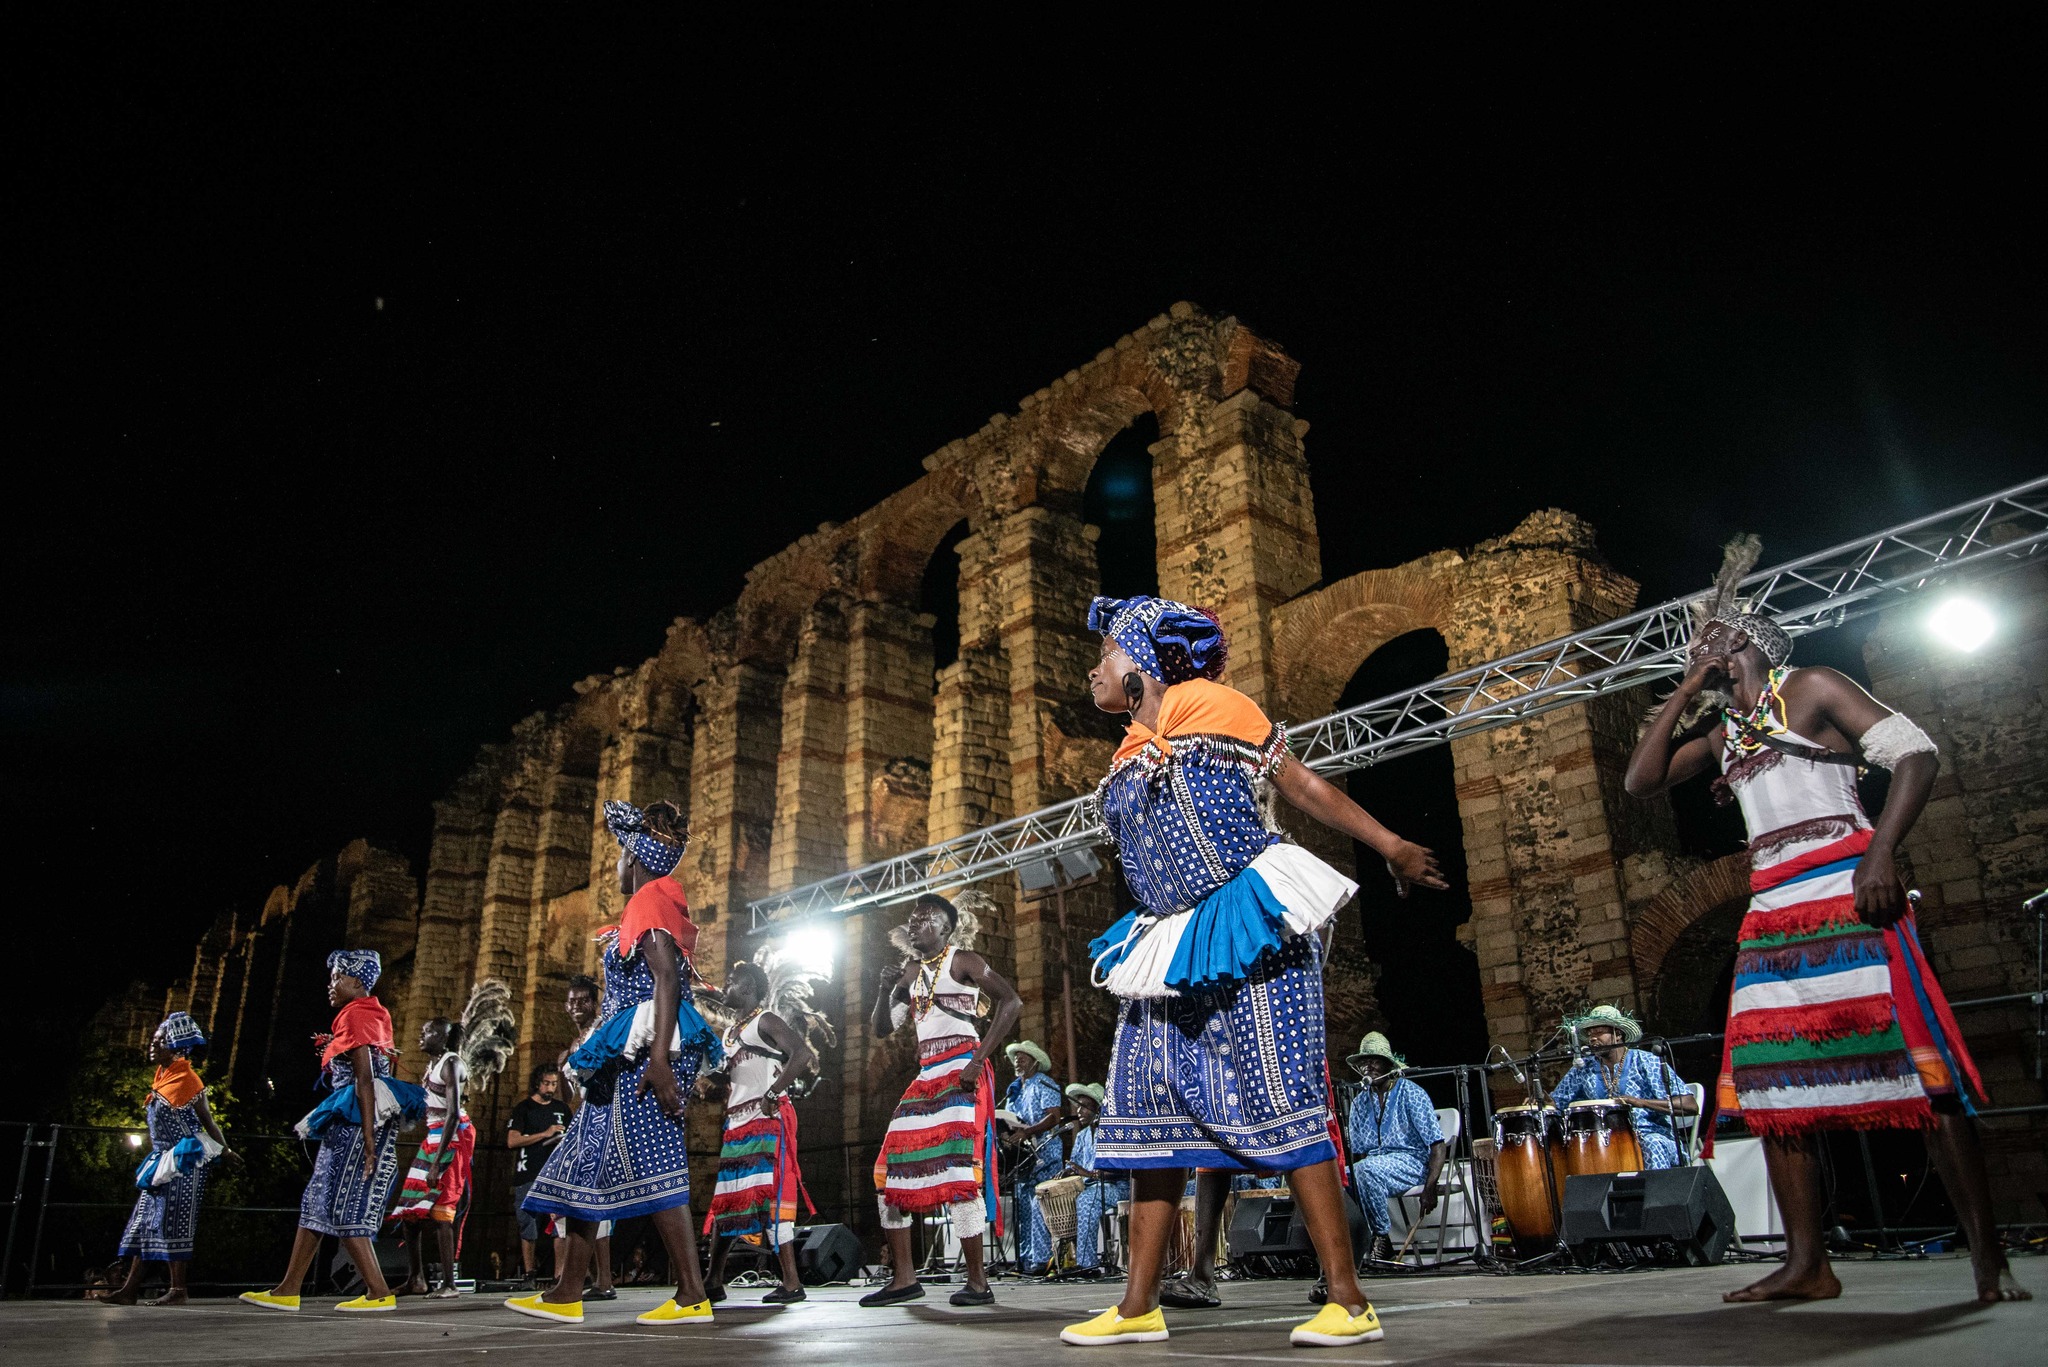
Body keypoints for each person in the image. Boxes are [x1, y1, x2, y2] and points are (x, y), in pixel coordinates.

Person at [1624, 537, 2028, 1305]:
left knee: (1923, 1073)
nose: (1695, 646)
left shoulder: (1810, 686)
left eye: (1708, 637)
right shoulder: (1725, 734)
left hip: (1846, 881)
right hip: (1772, 904)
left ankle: (1988, 1259)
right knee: (1771, 1086)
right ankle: (1809, 1263)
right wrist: (1683, 691)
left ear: (1741, 641)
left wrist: (1879, 858)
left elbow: (1915, 754)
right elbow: (1641, 780)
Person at [1060, 595, 1446, 1350]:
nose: (1092, 669)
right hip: (1169, 943)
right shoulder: (1126, 754)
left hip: (1246, 919)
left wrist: (1390, 841)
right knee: (1148, 1110)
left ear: (1138, 659)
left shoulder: (1215, 705)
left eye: (1105, 653)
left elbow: (1302, 787)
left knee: (1281, 1089)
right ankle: (1138, 1302)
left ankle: (1348, 1297)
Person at [511, 798, 723, 1326]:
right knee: (589, 1157)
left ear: (635, 854)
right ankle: (566, 1291)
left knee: (655, 1159)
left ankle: (692, 1294)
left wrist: (658, 1063)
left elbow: (668, 979)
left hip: (646, 1049)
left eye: (619, 856)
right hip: (629, 1048)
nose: (616, 867)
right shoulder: (648, 900)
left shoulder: (651, 899)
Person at [861, 891, 1023, 1308]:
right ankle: (904, 1278)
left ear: (946, 927)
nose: (914, 923)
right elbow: (883, 1028)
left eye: (925, 917)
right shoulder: (909, 971)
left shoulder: (963, 960)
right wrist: (884, 990)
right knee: (886, 1171)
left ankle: (977, 1282)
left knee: (959, 1172)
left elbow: (1012, 1001)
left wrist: (977, 1061)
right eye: (912, 917)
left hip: (963, 1067)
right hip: (927, 1073)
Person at [241, 949, 424, 1313]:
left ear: (357, 982)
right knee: (316, 1201)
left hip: (358, 1121)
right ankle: (288, 1288)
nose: (331, 984)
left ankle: (377, 1291)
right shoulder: (367, 1012)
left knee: (343, 1203)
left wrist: (370, 1140)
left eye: (337, 977)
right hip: (351, 1119)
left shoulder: (358, 1014)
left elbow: (366, 1079)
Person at [93, 1012, 233, 1305]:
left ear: (177, 1047)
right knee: (145, 1222)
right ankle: (129, 1290)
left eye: (159, 1042)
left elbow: (208, 1122)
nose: (152, 1046)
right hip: (162, 1160)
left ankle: (178, 1290)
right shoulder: (163, 1077)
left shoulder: (188, 1079)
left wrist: (226, 1151)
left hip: (185, 1160)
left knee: (173, 1223)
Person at [702, 957, 818, 1304]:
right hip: (737, 1122)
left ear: (749, 987)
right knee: (728, 1198)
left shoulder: (765, 1020)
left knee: (770, 1196)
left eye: (732, 981)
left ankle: (792, 1283)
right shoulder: (730, 1032)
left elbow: (801, 1053)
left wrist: (772, 1092)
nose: (726, 986)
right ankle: (712, 1279)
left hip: (768, 1118)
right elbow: (739, 1076)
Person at [1343, 1033, 1446, 1267]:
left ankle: (1381, 1237)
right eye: (1364, 1062)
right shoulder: (1360, 1102)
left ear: (1389, 1064)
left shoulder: (1411, 1093)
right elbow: (1359, 1152)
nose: (1368, 1066)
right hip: (1375, 1166)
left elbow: (1437, 1145)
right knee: (1341, 1178)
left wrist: (1430, 1187)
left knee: (1366, 1170)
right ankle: (1355, 1241)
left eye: (1375, 1060)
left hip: (1411, 1162)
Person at [1548, 1005, 1694, 1170]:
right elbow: (1556, 1102)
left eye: (1599, 1032)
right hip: (1604, 1143)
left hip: (1651, 1136)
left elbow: (1689, 1105)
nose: (1592, 1039)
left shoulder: (1645, 1061)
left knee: (1652, 1144)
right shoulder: (1584, 1068)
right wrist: (1543, 1100)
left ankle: (1658, 1195)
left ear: (1618, 1034)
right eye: (1590, 1034)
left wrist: (1641, 1102)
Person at [389, 1017, 474, 1297]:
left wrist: (437, 1162)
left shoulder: (451, 1063)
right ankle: (416, 1279)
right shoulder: (434, 1065)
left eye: (428, 1031)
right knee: (409, 1211)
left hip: (452, 1137)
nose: (421, 1035)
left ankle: (449, 1284)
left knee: (441, 1213)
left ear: (443, 1037)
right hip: (434, 1136)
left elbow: (452, 1114)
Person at [551, 974, 614, 1300]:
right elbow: (566, 1100)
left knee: (594, 1202)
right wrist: (562, 1067)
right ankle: (583, 1277)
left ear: (594, 1003)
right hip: (583, 1124)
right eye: (572, 1001)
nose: (577, 1006)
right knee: (575, 1202)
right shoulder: (573, 1047)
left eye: (583, 1001)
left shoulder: (601, 1033)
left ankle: (604, 1280)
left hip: (604, 1119)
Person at [1002, 1039, 1065, 1275]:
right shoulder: (1015, 1090)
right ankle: (1026, 1259)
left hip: (1045, 1153)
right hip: (1023, 1157)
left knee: (1038, 1205)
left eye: (1024, 1057)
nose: (1018, 1060)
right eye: (1016, 1057)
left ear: (1035, 1062)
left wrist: (1026, 1131)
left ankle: (1042, 1260)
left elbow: (1053, 1118)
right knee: (1023, 1207)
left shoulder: (1045, 1084)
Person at [505, 1066, 568, 1285]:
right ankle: (529, 1272)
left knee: (559, 1224)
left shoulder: (561, 1109)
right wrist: (544, 1134)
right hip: (529, 1173)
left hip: (555, 1175)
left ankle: (559, 1274)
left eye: (553, 1084)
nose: (550, 1088)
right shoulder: (524, 1109)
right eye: (546, 1083)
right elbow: (512, 1141)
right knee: (528, 1223)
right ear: (537, 1083)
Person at [1059, 1083, 1127, 1276]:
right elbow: (1075, 1165)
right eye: (1078, 1106)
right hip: (1090, 1186)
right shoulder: (1081, 1136)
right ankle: (1055, 1262)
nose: (1079, 1110)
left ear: (1098, 1109)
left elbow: (1122, 1169)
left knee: (1087, 1200)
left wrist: (1089, 1174)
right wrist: (1068, 1173)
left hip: (1117, 1186)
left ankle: (1087, 1264)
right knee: (1054, 1198)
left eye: (1085, 1106)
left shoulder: (1111, 1131)